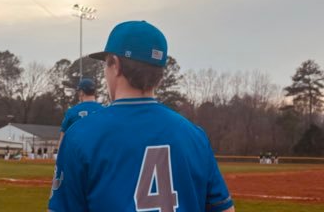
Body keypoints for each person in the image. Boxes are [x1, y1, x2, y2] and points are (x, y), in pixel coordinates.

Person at [48, 20, 235, 212]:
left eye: (106, 64)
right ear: (161, 75)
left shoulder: (80, 135)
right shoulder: (196, 136)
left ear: (116, 66)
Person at [56, 77, 103, 148]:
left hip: (77, 154)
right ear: (94, 92)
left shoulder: (72, 112)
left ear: (81, 92)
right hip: (98, 155)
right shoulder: (104, 110)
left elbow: (63, 140)